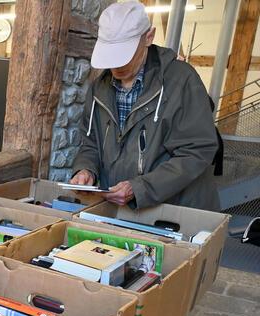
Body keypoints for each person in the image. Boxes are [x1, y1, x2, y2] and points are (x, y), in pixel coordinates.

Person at [69, 1, 221, 211]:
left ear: (148, 37)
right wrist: (86, 169)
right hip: (119, 211)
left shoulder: (182, 81)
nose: (116, 65)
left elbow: (197, 150)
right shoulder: (99, 88)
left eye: (124, 54)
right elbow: (91, 143)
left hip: (172, 212)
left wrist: (141, 188)